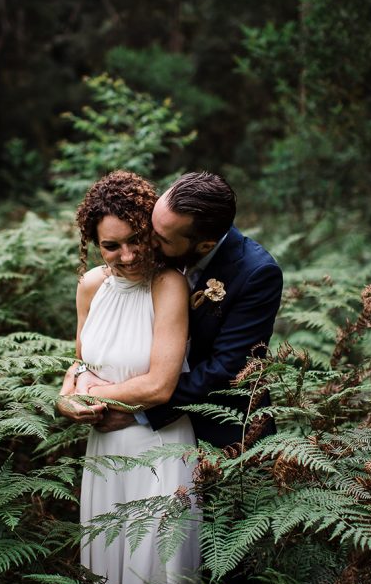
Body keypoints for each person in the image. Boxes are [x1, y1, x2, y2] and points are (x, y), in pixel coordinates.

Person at [56, 170, 200, 584]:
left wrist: (91, 395)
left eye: (136, 239)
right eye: (111, 245)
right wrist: (65, 398)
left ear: (150, 230)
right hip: (103, 451)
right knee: (109, 567)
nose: (128, 254)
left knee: (154, 570)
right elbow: (80, 361)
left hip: (156, 447)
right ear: (94, 245)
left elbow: (159, 386)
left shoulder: (168, 285)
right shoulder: (90, 287)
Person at [96, 171, 284, 448]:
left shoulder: (256, 274)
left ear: (204, 245)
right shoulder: (148, 258)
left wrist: (141, 411)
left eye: (160, 238)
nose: (147, 242)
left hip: (223, 433)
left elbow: (226, 369)